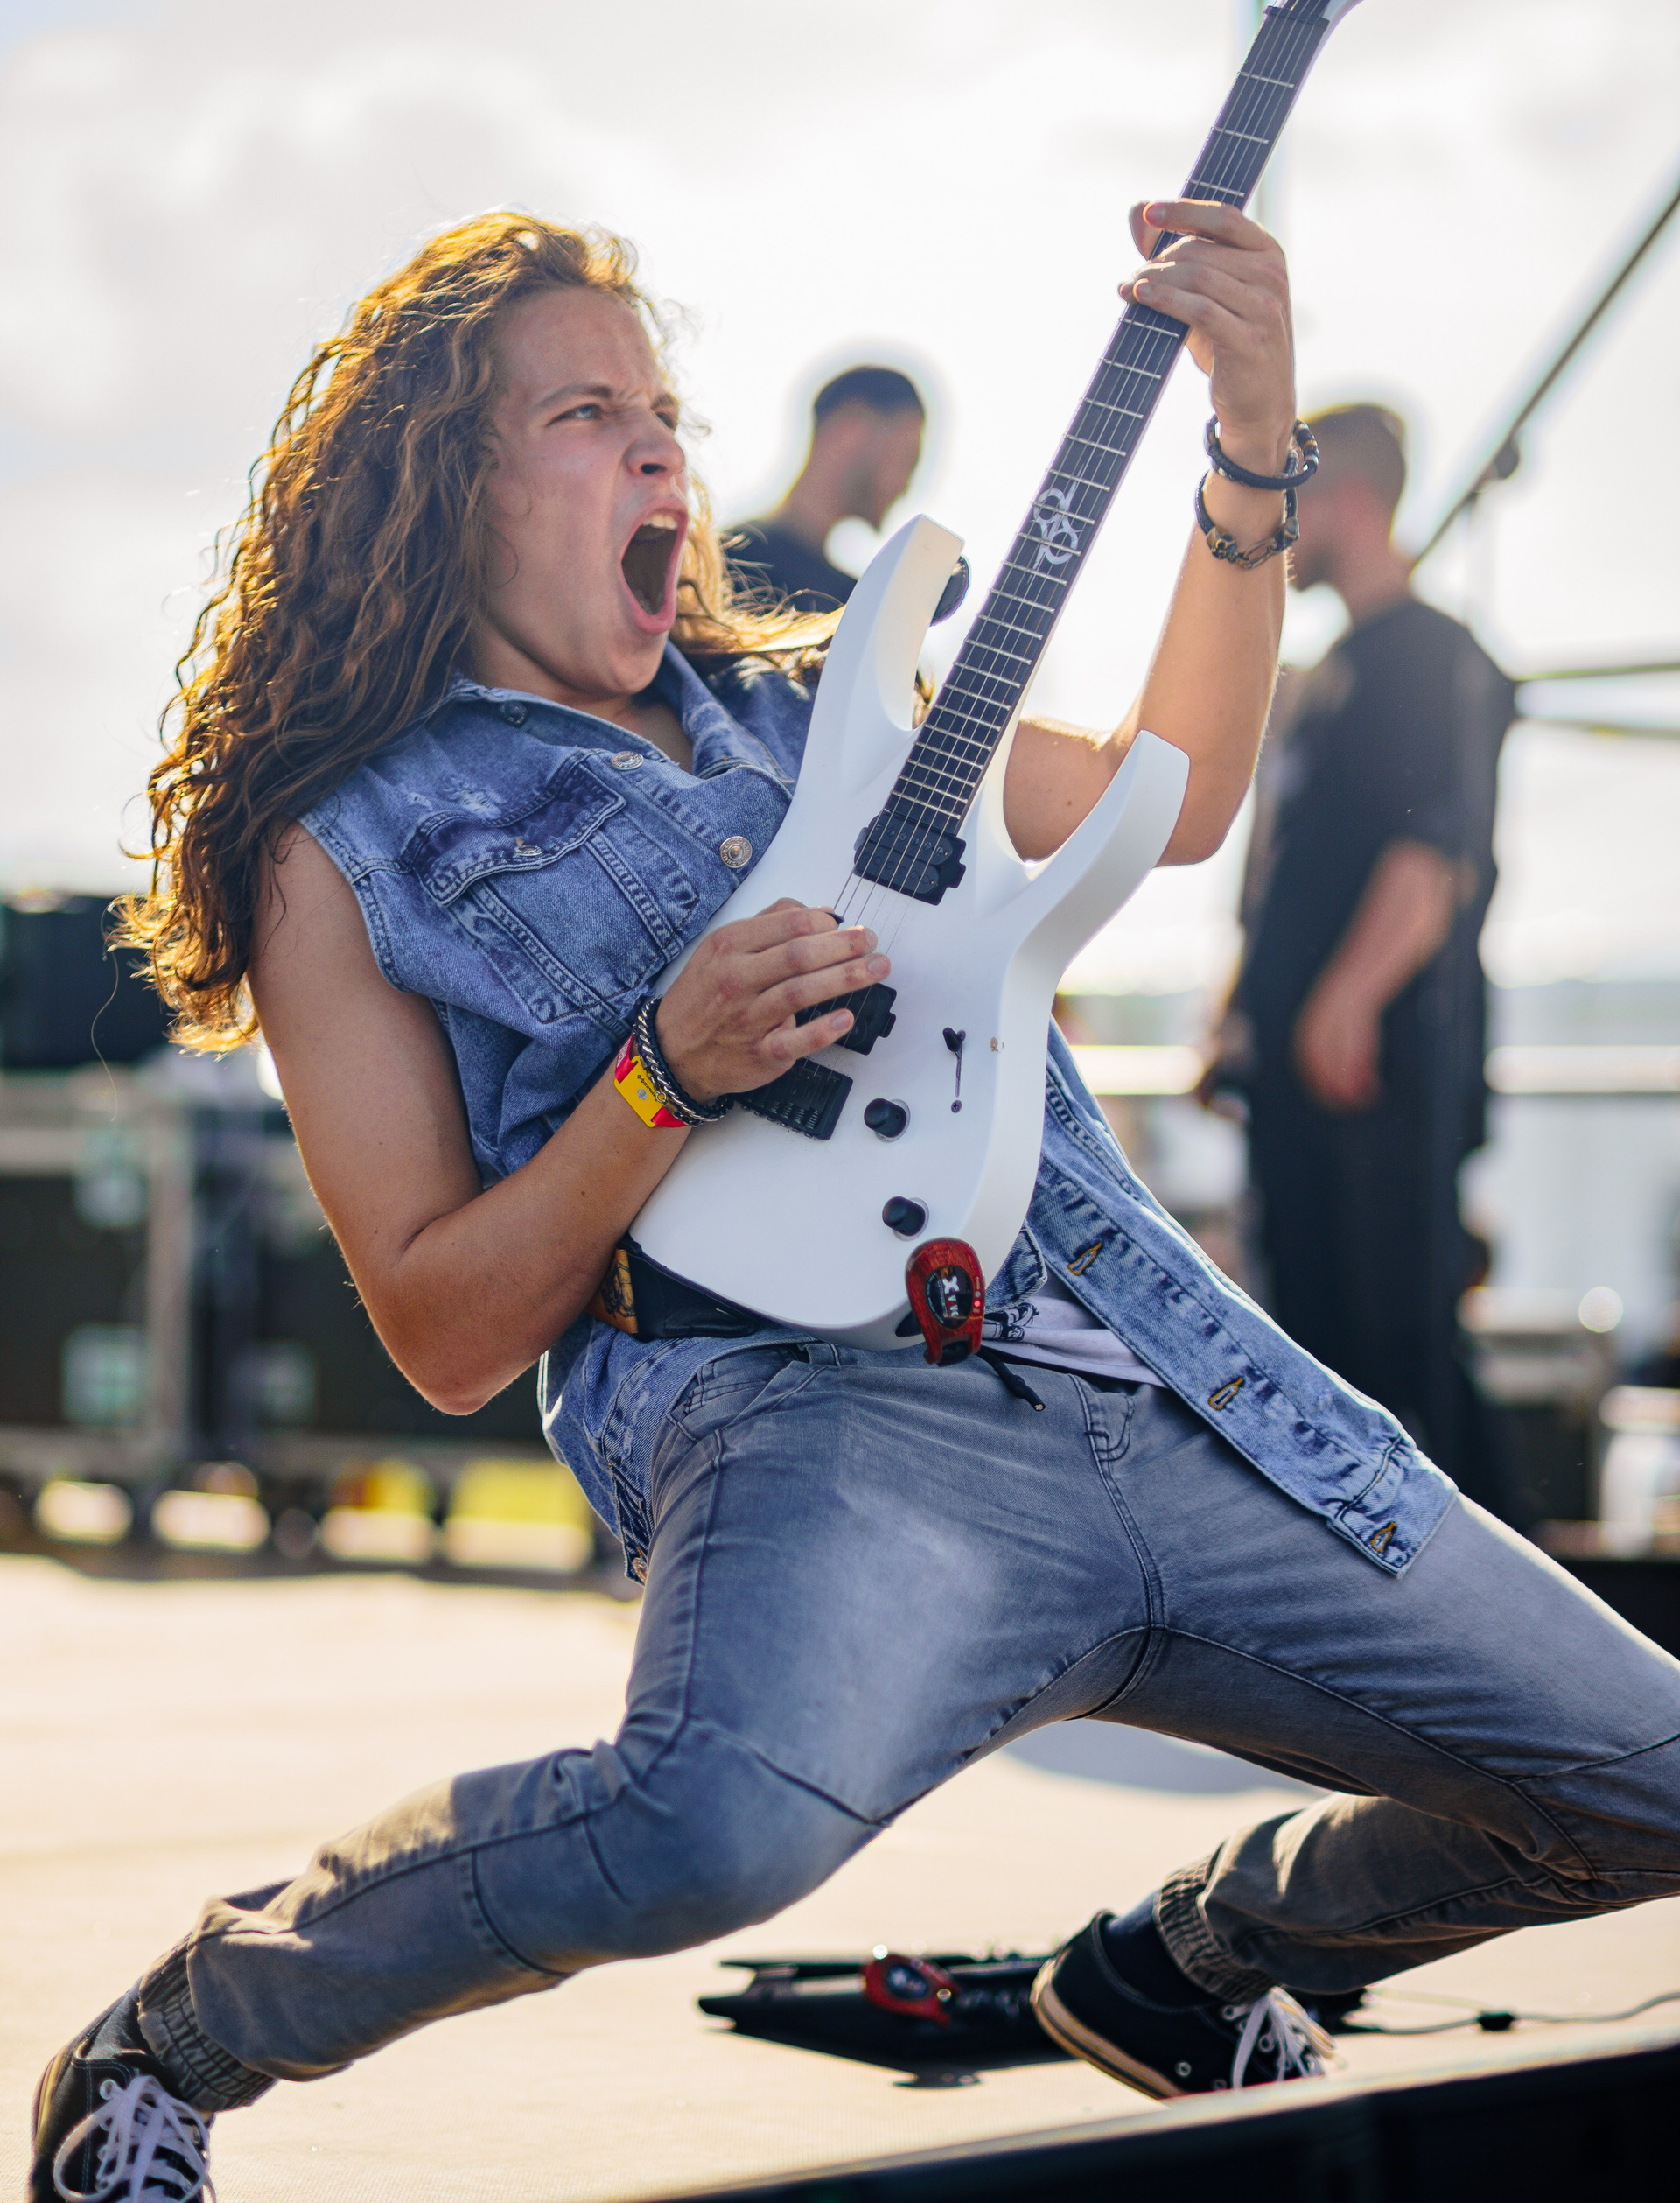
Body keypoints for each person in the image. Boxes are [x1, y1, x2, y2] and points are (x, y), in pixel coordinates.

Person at [34, 213, 1680, 2202]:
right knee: (701, 1834)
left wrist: (1250, 446)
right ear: (441, 482)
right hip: (817, 1426)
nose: (661, 448)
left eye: (664, 408)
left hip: (1162, 1370)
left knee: (1657, 1782)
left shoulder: (838, 698)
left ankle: (1194, 1958)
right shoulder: (344, 843)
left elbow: (1175, 796)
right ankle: (185, 2028)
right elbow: (445, 1330)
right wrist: (660, 1072)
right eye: (586, 413)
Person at [1221, 404, 1517, 1512]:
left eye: (1294, 501)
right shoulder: (1333, 666)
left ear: (1348, 500)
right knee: (1320, 1342)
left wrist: (1346, 998)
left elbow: (1436, 853)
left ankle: (1513, 1581)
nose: (1282, 528)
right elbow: (1289, 867)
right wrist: (1240, 1013)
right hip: (1300, 1067)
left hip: (1380, 1075)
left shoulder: (1428, 655)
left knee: (1400, 1355)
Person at [727, 363, 925, 609]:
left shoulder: (853, 599)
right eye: (906, 459)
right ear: (851, 433)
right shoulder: (732, 561)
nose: (905, 487)